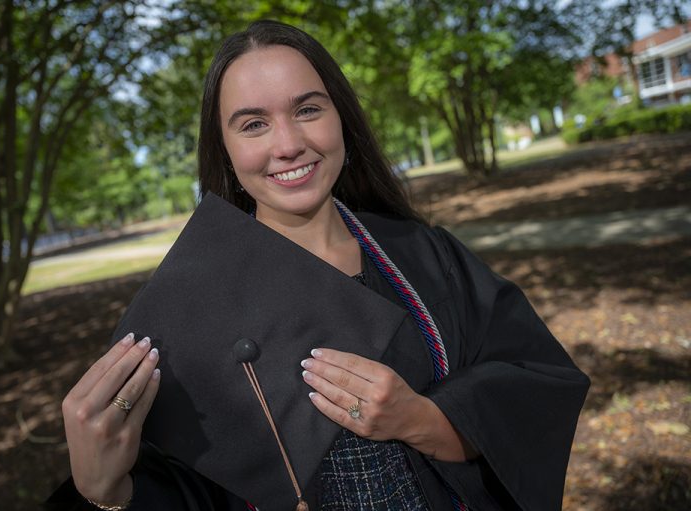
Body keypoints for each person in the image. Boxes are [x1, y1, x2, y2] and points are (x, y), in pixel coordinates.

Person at [48, 20, 590, 511]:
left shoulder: (425, 257)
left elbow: (533, 388)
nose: (288, 144)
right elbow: (184, 486)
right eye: (253, 124)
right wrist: (106, 491)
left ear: (342, 121)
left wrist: (420, 420)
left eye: (308, 109)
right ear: (226, 151)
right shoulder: (188, 313)